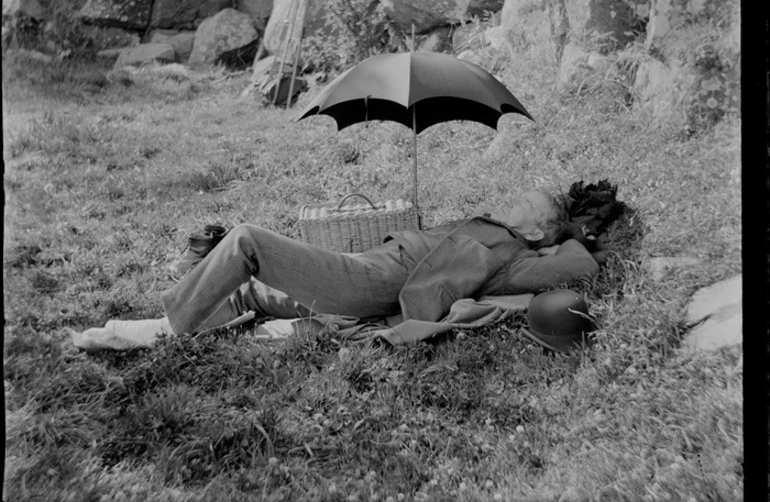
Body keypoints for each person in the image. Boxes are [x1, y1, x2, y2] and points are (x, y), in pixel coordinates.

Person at [71, 189, 602, 351]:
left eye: (522, 205)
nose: (509, 202)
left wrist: (574, 235)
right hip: (367, 265)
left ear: (536, 230)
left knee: (247, 240)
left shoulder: (516, 253)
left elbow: (578, 265)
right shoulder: (498, 230)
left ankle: (172, 324)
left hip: (373, 283)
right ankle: (158, 333)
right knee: (253, 289)